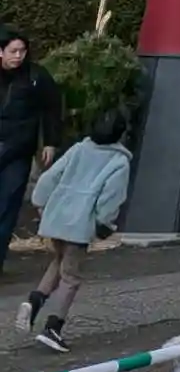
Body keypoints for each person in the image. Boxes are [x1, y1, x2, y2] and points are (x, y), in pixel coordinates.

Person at [18, 108, 130, 353]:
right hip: (80, 223)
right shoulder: (119, 161)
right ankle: (53, 327)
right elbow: (111, 198)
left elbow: (50, 177)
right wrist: (103, 225)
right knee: (71, 277)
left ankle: (35, 301)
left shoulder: (79, 149)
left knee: (59, 262)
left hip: (57, 216)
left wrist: (40, 202)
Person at [0, 26, 61, 277]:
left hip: (18, 149)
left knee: (7, 206)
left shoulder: (36, 76)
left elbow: (52, 108)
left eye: (22, 51)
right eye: (13, 51)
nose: (18, 56)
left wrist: (50, 141)